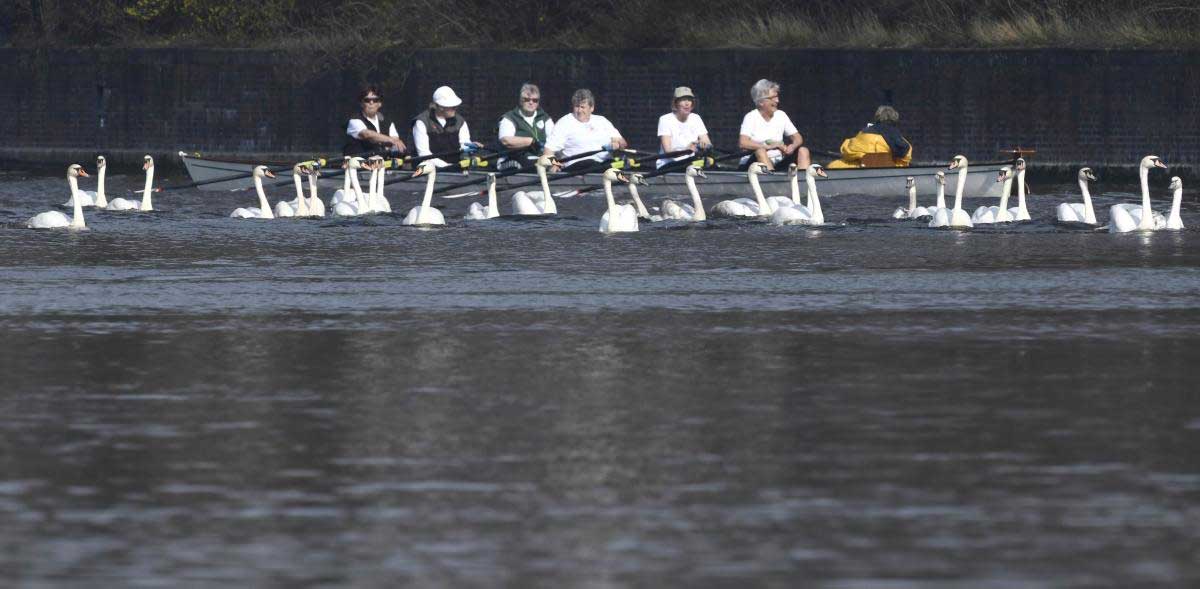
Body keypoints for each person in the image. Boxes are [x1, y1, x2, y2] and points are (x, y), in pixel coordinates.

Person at [543, 89, 628, 171]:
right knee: (591, 163)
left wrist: (618, 144)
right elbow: (548, 150)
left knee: (625, 166)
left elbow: (622, 143)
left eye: (583, 107)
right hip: (576, 167)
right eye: (577, 106)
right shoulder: (564, 123)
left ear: (591, 108)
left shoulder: (602, 121)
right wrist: (555, 164)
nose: (579, 110)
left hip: (604, 165)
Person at [737, 79, 809, 171]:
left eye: (777, 97)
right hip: (752, 164)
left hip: (777, 162)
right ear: (761, 102)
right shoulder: (750, 117)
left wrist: (793, 146)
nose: (777, 100)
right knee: (760, 151)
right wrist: (770, 146)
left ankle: (803, 182)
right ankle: (771, 183)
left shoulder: (781, 115)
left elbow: (798, 138)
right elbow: (743, 143)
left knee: (803, 151)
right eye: (773, 98)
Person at [412, 85, 483, 168]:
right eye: (452, 107)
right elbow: (424, 154)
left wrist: (470, 147)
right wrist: (447, 166)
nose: (455, 108)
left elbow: (464, 144)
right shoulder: (421, 122)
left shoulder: (460, 121)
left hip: (455, 169)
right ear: (440, 107)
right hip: (428, 170)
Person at [827, 105, 913, 168]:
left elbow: (848, 150)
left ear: (877, 117)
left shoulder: (863, 132)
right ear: (894, 119)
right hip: (887, 169)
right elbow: (905, 155)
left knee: (832, 166)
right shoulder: (896, 135)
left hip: (859, 167)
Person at [498, 83, 555, 169]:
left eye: (535, 100)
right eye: (527, 99)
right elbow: (506, 141)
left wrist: (554, 162)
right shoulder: (509, 118)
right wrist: (531, 142)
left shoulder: (545, 118)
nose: (531, 102)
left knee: (558, 165)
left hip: (540, 159)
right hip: (514, 159)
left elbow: (554, 141)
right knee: (532, 164)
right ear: (521, 100)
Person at [657, 86, 711, 169]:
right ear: (675, 103)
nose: (687, 103)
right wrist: (687, 150)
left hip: (690, 163)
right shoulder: (665, 119)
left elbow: (708, 143)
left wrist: (702, 144)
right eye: (683, 100)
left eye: (689, 100)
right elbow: (667, 151)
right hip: (669, 164)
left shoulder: (696, 118)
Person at [344, 85, 406, 156]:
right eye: (367, 100)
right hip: (359, 164)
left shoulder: (388, 122)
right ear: (361, 103)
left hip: (382, 164)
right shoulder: (354, 121)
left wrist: (394, 144)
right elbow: (367, 134)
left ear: (380, 104)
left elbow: (395, 140)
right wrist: (391, 140)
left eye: (375, 100)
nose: (371, 103)